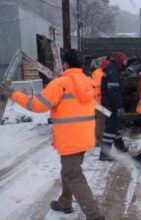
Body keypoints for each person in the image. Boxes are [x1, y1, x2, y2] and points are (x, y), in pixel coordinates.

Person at [0, 49, 105, 220]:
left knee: (73, 175)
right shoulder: (89, 82)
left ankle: (94, 215)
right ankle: (65, 202)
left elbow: (37, 106)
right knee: (69, 170)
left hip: (69, 139)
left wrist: (12, 93)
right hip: (84, 136)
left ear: (65, 64)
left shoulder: (60, 84)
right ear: (82, 65)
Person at [99, 52, 129, 161]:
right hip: (110, 105)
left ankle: (120, 147)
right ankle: (104, 153)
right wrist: (119, 106)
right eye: (125, 62)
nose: (125, 64)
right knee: (111, 128)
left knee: (116, 125)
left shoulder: (112, 70)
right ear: (120, 61)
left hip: (108, 104)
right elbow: (114, 92)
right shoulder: (113, 72)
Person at [91, 57, 110, 147]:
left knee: (97, 121)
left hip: (96, 101)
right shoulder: (101, 74)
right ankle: (99, 141)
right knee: (100, 122)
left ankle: (97, 139)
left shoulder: (95, 73)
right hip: (100, 101)